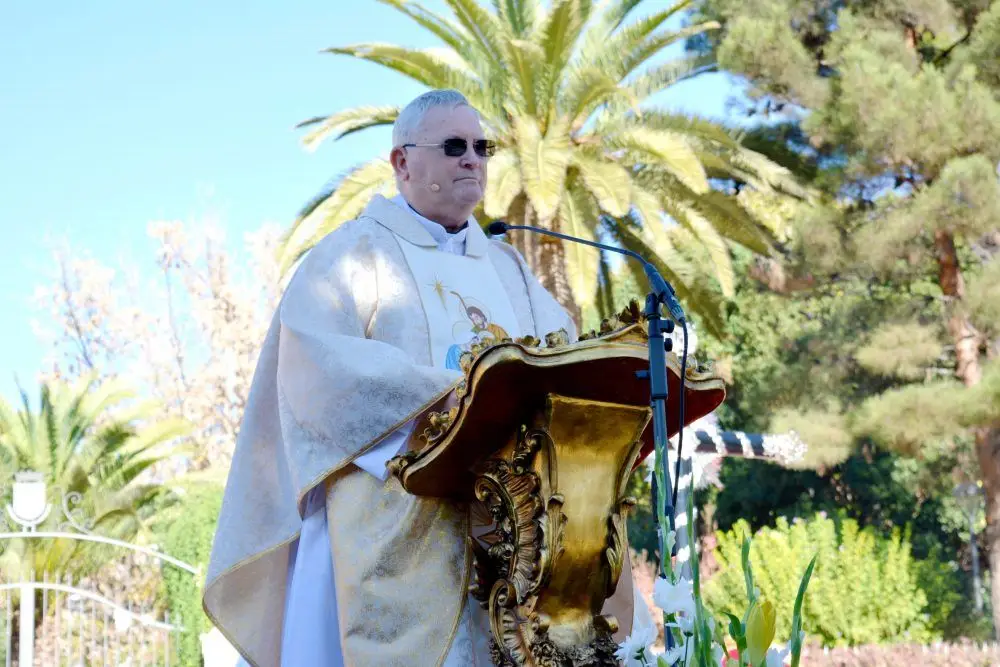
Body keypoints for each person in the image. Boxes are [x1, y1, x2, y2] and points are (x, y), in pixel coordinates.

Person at [203, 89, 644, 667]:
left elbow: (564, 360)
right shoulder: (352, 256)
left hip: (521, 542)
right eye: (455, 146)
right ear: (402, 162)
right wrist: (460, 402)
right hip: (403, 530)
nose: (473, 160)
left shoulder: (508, 269)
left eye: (482, 148)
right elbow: (321, 374)